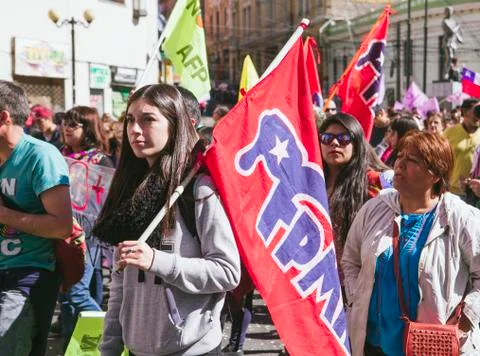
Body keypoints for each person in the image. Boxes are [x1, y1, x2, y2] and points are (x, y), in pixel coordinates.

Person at [92, 84, 241, 356]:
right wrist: (110, 347)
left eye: (148, 119)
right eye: (130, 120)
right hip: (137, 348)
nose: (135, 130)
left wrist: (157, 261)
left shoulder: (198, 189)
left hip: (192, 349)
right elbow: (120, 287)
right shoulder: (130, 191)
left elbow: (227, 272)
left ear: (175, 125)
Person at [342, 131, 480, 356]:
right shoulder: (374, 209)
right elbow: (351, 259)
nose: (399, 164)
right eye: (400, 156)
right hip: (373, 344)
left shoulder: (461, 218)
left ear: (435, 174)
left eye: (412, 160)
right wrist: (356, 297)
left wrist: (465, 320)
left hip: (435, 345)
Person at [0, 80, 73, 354]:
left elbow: (61, 226)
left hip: (26, 276)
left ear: (3, 117)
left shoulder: (41, 156)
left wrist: (4, 214)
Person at [58, 106, 114, 349]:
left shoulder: (100, 160)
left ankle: (110, 334)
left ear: (88, 129)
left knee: (77, 293)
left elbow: (109, 201)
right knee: (66, 298)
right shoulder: (59, 154)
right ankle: (72, 347)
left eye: (74, 125)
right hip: (60, 233)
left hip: (88, 236)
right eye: (65, 123)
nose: (66, 129)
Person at [318, 113, 393, 284]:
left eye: (344, 138)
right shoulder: (309, 181)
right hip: (316, 281)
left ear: (357, 143)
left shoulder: (374, 182)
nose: (334, 143)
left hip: (357, 284)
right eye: (327, 138)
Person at [444, 98, 480, 196]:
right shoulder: (450, 132)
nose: (478, 114)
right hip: (453, 192)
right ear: (464, 112)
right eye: (477, 110)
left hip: (476, 194)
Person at [442, 6, 463, 80]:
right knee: (449, 58)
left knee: (454, 59)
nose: (450, 13)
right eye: (448, 11)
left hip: (453, 42)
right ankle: (446, 73)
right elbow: (452, 31)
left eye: (451, 11)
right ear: (445, 12)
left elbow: (456, 33)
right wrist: (458, 27)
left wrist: (459, 38)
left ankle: (452, 73)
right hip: (447, 42)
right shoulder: (444, 21)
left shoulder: (453, 22)